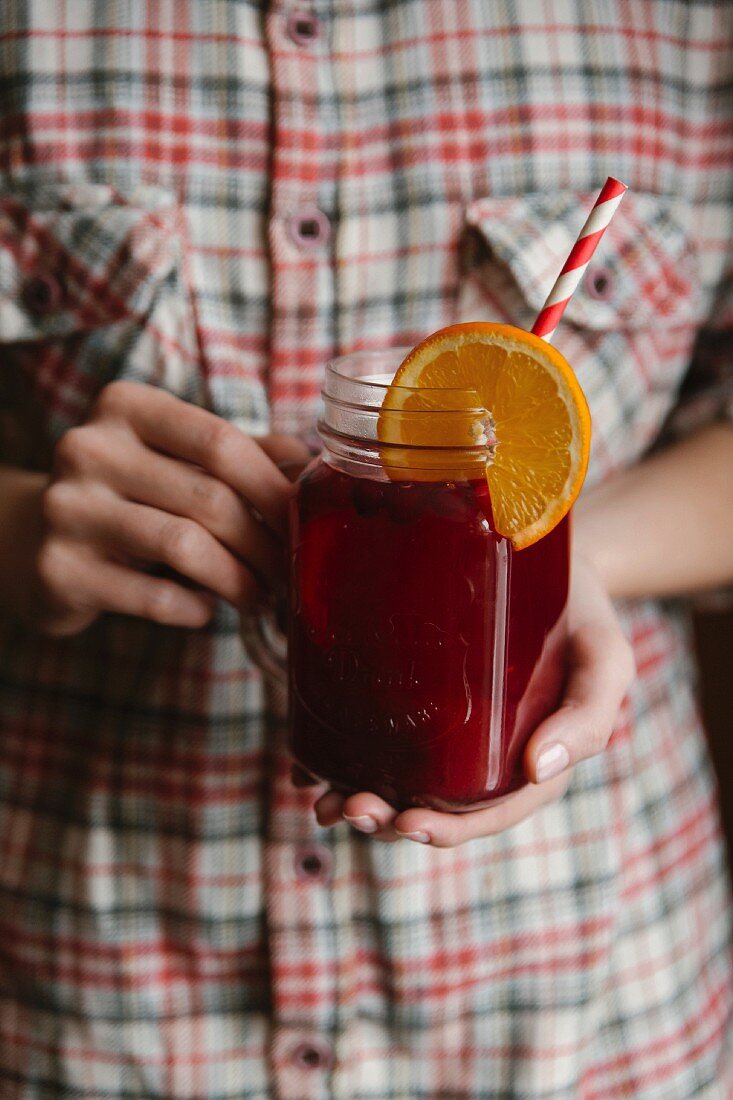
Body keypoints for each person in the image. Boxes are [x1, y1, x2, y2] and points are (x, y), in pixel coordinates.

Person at [0, 3, 731, 1097]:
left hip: (591, 1006)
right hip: (101, 994)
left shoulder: (689, 25)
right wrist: (18, 528)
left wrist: (556, 560)